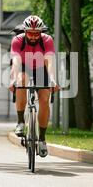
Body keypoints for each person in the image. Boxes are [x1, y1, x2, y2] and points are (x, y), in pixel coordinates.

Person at [8, 15, 60, 157]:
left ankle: (42, 139)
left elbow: (49, 61)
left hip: (41, 68)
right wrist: (13, 80)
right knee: (21, 80)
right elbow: (16, 61)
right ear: (24, 32)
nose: (33, 37)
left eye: (36, 33)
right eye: (30, 33)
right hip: (24, 67)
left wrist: (52, 80)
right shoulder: (17, 40)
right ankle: (20, 122)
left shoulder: (47, 40)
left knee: (44, 100)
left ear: (41, 32)